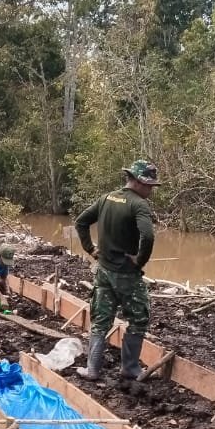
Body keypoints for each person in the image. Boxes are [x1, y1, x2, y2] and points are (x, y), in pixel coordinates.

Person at [74, 159, 158, 381]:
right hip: (127, 275)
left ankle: (92, 369)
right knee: (138, 319)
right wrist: (140, 261)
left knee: (101, 320)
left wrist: (91, 249)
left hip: (103, 271)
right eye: (149, 185)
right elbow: (148, 236)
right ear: (137, 181)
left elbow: (81, 222)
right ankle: (129, 367)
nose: (150, 190)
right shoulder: (138, 204)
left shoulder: (106, 198)